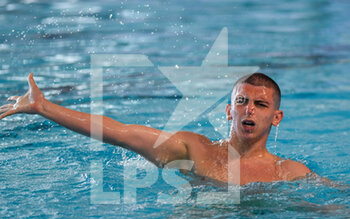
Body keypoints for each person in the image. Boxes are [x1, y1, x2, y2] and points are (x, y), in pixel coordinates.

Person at [0, 72, 312, 185]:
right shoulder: (193, 150)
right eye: (242, 101)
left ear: (276, 117)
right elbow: (118, 132)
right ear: (229, 111)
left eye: (260, 105)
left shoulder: (289, 172)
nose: (249, 109)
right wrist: (44, 107)